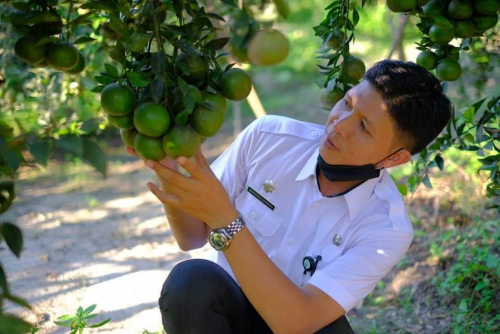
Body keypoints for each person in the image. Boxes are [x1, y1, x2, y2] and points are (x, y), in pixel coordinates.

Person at [127, 59, 452, 333]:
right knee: (190, 281)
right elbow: (191, 238)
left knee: (330, 326)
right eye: (347, 104)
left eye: (364, 127)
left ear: (395, 158)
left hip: (297, 324)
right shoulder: (268, 138)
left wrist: (225, 218)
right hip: (226, 315)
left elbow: (297, 322)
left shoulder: (386, 228)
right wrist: (167, 167)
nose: (339, 125)